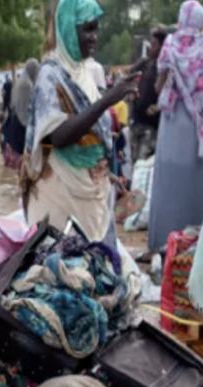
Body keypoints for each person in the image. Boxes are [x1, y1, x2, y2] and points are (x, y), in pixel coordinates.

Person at [22, 0, 138, 241]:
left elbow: (91, 133)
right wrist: (108, 100)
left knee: (98, 267)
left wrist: (106, 174)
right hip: (59, 193)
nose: (94, 37)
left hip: (92, 190)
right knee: (64, 267)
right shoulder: (50, 75)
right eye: (87, 29)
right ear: (66, 28)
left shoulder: (84, 73)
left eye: (95, 29)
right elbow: (60, 137)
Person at [148, 0, 203, 254]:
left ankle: (162, 244)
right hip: (196, 127)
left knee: (167, 183)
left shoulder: (169, 44)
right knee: (194, 183)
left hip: (172, 124)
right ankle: (194, 246)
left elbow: (158, 86)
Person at [130, 27, 168, 161]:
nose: (150, 48)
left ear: (163, 47)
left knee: (143, 163)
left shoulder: (166, 69)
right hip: (136, 122)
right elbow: (128, 73)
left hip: (151, 127)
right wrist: (132, 92)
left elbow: (170, 95)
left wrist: (158, 107)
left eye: (154, 45)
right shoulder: (146, 63)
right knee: (135, 162)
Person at [1, 58, 39, 169]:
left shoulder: (19, 82)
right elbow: (29, 108)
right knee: (25, 159)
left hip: (15, 121)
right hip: (22, 124)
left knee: (21, 161)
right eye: (35, 69)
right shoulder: (27, 85)